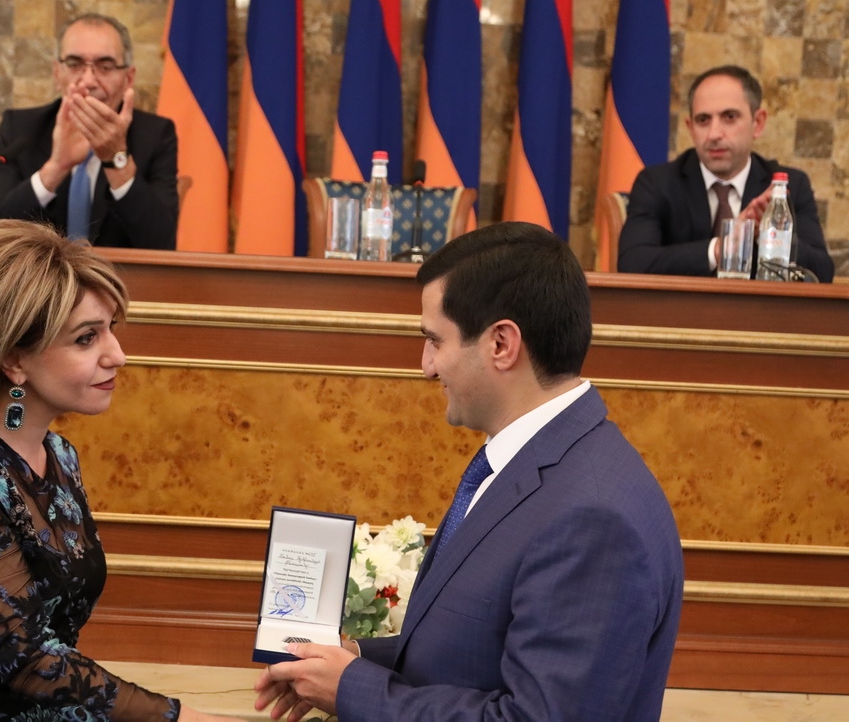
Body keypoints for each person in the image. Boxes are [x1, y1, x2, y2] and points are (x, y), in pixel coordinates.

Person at [254, 222, 685, 721]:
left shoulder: (592, 517)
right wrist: (352, 662)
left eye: (435, 341)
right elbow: (473, 651)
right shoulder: (532, 458)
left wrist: (354, 689)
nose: (426, 367)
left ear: (501, 343)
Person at [0, 220, 236, 722]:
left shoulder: (59, 454)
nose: (118, 355)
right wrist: (178, 717)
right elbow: (29, 660)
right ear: (13, 359)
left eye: (111, 329)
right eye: (87, 338)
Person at [0, 13, 179, 250]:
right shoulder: (20, 128)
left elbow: (162, 243)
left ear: (128, 78)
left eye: (105, 67)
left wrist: (117, 161)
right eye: (74, 65)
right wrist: (55, 168)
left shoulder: (155, 135)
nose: (89, 81)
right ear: (57, 73)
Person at [618, 65, 835, 282]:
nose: (714, 134)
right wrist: (721, 248)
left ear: (758, 123)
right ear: (690, 127)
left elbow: (822, 272)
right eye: (703, 120)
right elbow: (632, 263)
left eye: (729, 117)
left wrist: (768, 234)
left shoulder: (788, 186)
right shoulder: (657, 183)